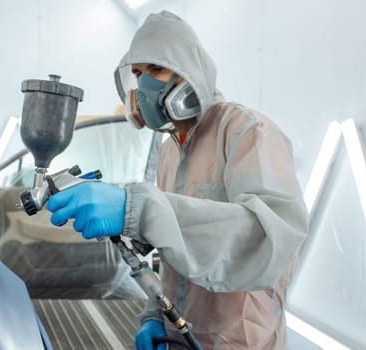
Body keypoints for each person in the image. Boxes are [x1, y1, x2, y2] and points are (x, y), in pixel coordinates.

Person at [47, 10, 308, 350]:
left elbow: (268, 239)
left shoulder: (246, 131)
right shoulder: (171, 149)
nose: (144, 85)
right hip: (182, 336)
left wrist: (139, 208)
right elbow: (178, 250)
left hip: (242, 341)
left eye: (156, 69)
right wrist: (155, 314)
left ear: (190, 74)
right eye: (138, 73)